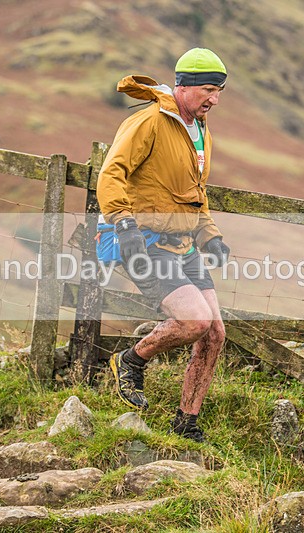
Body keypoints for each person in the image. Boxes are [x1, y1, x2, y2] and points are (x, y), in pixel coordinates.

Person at [96, 48, 230, 442]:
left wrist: (210, 236)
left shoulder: (200, 129)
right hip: (144, 240)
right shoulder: (148, 122)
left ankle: (186, 422)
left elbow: (196, 194)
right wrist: (124, 224)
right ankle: (130, 360)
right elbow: (110, 174)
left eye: (220, 91)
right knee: (194, 321)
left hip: (184, 243)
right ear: (184, 86)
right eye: (208, 89)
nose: (214, 99)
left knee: (215, 334)